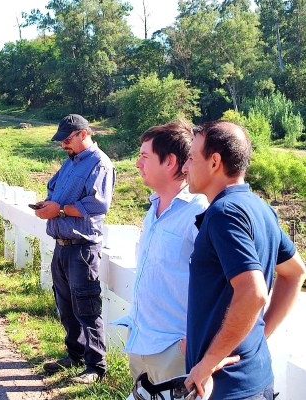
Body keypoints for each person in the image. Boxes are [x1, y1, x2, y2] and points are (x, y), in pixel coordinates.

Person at [182, 121, 306, 399]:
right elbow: (295, 272)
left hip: (229, 387)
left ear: (214, 162)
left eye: (191, 157)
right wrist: (256, 337)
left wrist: (209, 361)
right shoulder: (258, 207)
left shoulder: (224, 213)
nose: (185, 167)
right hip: (253, 378)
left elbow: (252, 292)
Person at [117, 121, 208, 390]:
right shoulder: (154, 207)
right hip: (143, 341)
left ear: (170, 162)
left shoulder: (200, 213)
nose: (137, 164)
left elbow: (226, 283)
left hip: (175, 349)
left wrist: (195, 337)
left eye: (145, 156)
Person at [34, 114, 115, 384]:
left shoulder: (100, 163)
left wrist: (58, 210)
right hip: (62, 246)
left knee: (86, 307)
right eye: (61, 141)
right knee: (66, 304)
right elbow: (54, 188)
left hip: (83, 247)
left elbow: (97, 204)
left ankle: (96, 367)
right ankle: (75, 355)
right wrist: (48, 204)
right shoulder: (71, 163)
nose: (63, 145)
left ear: (83, 134)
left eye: (67, 140)